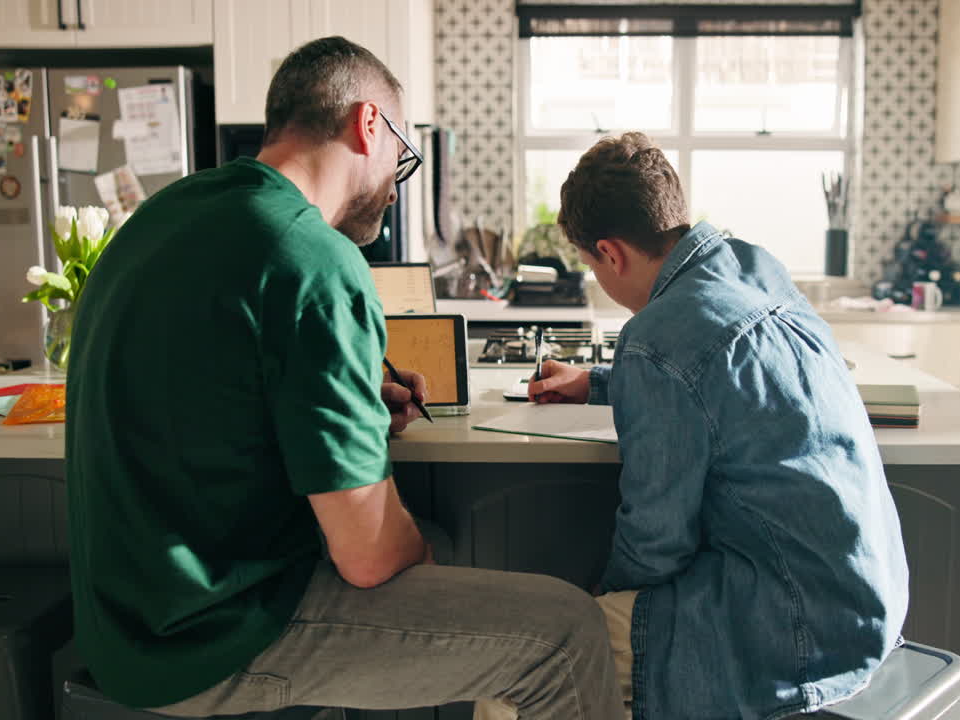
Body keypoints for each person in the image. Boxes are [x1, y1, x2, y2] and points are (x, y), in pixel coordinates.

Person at [66, 36, 623, 719]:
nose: (396, 185)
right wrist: (412, 550)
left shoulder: (165, 216)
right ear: (368, 125)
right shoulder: (312, 257)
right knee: (566, 632)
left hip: (125, 622)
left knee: (438, 551)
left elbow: (213, 399)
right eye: (402, 156)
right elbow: (370, 558)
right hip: (214, 638)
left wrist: (350, 409)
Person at [520, 133, 910, 719]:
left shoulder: (653, 339)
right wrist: (599, 380)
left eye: (592, 266)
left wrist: (608, 594)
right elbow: (722, 374)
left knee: (526, 661)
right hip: (871, 601)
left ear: (611, 253)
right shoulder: (754, 266)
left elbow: (656, 541)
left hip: (796, 629)